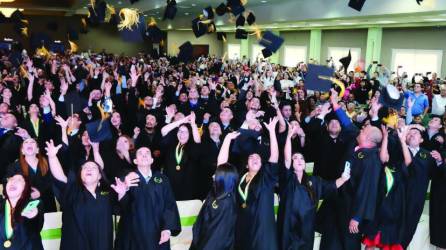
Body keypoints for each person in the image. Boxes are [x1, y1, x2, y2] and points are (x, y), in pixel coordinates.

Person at [277, 123, 350, 250]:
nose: (299, 160)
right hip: (288, 229)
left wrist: (343, 178)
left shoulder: (315, 181)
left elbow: (331, 186)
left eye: (302, 158)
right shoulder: (287, 179)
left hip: (306, 230)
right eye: (296, 158)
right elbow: (287, 160)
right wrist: (289, 137)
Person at [217, 117, 280, 250]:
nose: (255, 159)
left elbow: (274, 157)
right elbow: (221, 166)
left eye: (258, 158)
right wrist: (227, 140)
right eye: (251, 157)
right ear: (246, 164)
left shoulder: (266, 177)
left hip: (263, 232)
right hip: (242, 229)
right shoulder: (239, 179)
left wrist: (272, 132)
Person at [45, 140, 118, 250]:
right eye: (85, 167)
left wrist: (122, 193)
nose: (89, 169)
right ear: (80, 175)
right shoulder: (73, 190)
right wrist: (52, 157)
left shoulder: (107, 194)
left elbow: (121, 208)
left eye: (93, 168)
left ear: (99, 176)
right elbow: (60, 176)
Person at [115, 147, 181, 250]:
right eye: (140, 153)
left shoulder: (162, 179)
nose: (144, 155)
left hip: (158, 233)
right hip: (133, 234)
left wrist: (167, 229)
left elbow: (170, 205)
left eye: (147, 153)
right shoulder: (127, 179)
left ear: (152, 160)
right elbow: (122, 208)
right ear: (135, 160)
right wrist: (123, 192)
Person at [190, 162, 239, 250]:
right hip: (202, 241)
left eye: (216, 174)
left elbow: (217, 236)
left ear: (224, 179)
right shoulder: (216, 194)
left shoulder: (227, 203)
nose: (213, 176)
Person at [6, 138, 57, 212]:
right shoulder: (14, 167)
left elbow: (53, 181)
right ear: (22, 151)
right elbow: (7, 184)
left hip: (47, 203)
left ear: (37, 150)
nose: (29, 144)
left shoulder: (48, 162)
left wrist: (40, 192)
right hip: (25, 206)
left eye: (32, 142)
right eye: (26, 142)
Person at [160, 112, 201, 200]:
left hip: (187, 189)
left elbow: (197, 140)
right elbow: (163, 130)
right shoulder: (172, 143)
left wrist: (193, 124)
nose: (182, 134)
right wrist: (182, 120)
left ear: (190, 134)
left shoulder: (192, 146)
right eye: (180, 131)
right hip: (169, 187)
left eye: (186, 132)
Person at [0, 174, 44, 250]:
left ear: (25, 188)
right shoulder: (1, 206)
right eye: (11, 179)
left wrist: (34, 216)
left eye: (19, 180)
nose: (13, 182)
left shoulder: (33, 205)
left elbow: (36, 227)